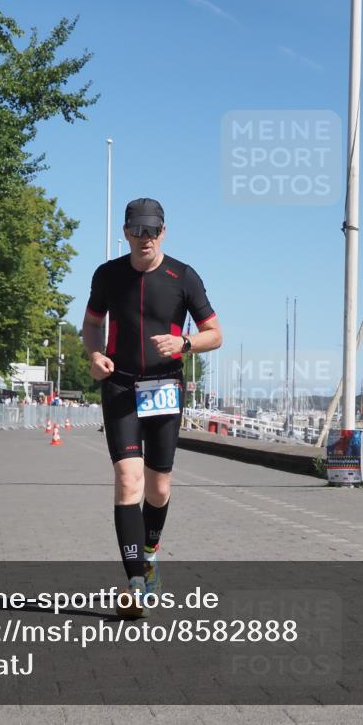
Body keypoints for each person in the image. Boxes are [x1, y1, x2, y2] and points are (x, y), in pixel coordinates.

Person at [82, 198, 222, 618]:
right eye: (138, 230)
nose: (146, 238)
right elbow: (92, 324)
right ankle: (135, 582)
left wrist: (185, 343)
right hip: (121, 385)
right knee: (128, 480)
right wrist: (93, 355)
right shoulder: (108, 274)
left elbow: (214, 333)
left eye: (153, 231)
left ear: (164, 231)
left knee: (158, 487)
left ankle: (150, 550)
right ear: (125, 232)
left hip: (164, 388)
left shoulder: (184, 276)